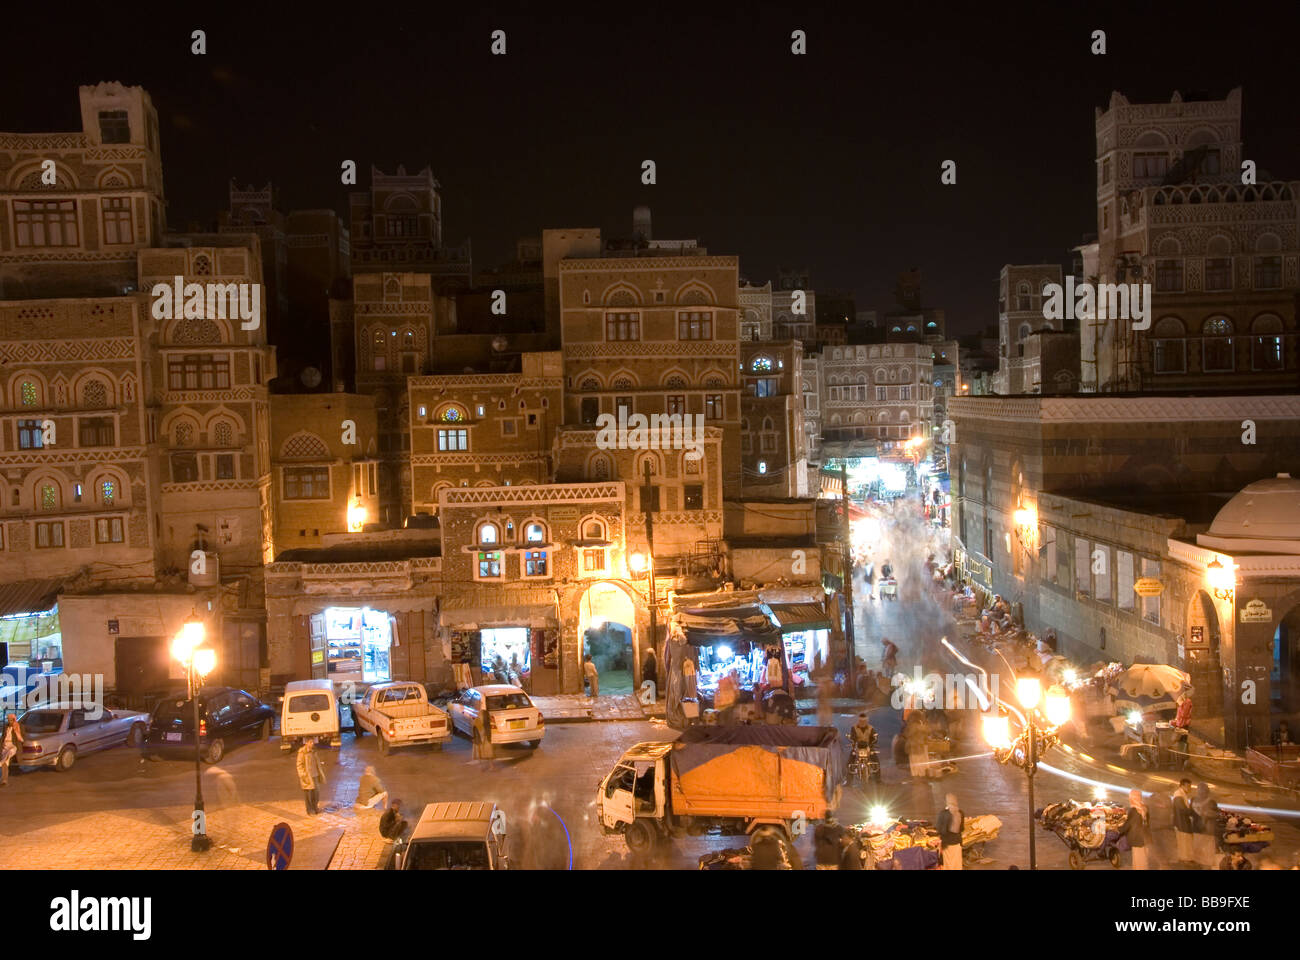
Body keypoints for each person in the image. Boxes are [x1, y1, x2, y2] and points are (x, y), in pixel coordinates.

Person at [1117, 789, 1150, 870]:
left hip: (1137, 838)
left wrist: (1119, 829)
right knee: (1143, 859)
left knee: (1139, 860)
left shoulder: (1134, 810)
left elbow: (1128, 824)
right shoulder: (1144, 808)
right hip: (1145, 837)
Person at [1191, 782, 1220, 869]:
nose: (1201, 792)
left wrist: (1207, 814)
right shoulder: (1193, 799)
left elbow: (1216, 814)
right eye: (1199, 790)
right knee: (1198, 853)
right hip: (1198, 830)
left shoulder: (1211, 801)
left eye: (1203, 790)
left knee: (1205, 856)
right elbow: (1191, 812)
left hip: (1207, 831)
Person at [296, 737, 326, 816]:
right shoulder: (302, 752)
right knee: (308, 795)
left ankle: (315, 807)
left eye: (312, 742)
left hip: (315, 775)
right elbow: (299, 765)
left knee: (316, 793)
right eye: (310, 742)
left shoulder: (314, 751)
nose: (312, 744)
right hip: (307, 777)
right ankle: (310, 810)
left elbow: (317, 762)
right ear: (306, 743)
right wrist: (303, 775)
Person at [936, 793, 964, 870]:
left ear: (947, 802)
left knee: (948, 864)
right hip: (957, 842)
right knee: (956, 864)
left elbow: (939, 829)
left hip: (947, 843)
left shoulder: (943, 814)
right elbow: (962, 828)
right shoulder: (960, 813)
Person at [1171, 779, 1195, 864]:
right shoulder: (1178, 795)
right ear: (1182, 786)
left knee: (1185, 842)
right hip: (1182, 824)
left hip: (1183, 823)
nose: (1189, 788)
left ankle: (1187, 859)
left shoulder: (1182, 795)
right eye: (1188, 786)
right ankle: (1185, 860)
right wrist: (1192, 809)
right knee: (1184, 842)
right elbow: (1183, 810)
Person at [0, 713, 23, 786]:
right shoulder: (6, 727)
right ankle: (4, 780)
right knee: (5, 763)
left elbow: (21, 739)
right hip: (5, 745)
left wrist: (16, 730)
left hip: (13, 745)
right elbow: (2, 737)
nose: (9, 721)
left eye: (10, 720)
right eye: (8, 719)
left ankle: (1, 762)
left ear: (14, 720)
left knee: (11, 750)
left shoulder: (19, 727)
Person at [904, 714, 930, 779]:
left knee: (914, 761)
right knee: (920, 760)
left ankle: (916, 775)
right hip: (919, 747)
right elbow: (927, 733)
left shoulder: (911, 726)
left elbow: (906, 735)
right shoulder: (921, 726)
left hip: (913, 747)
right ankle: (922, 774)